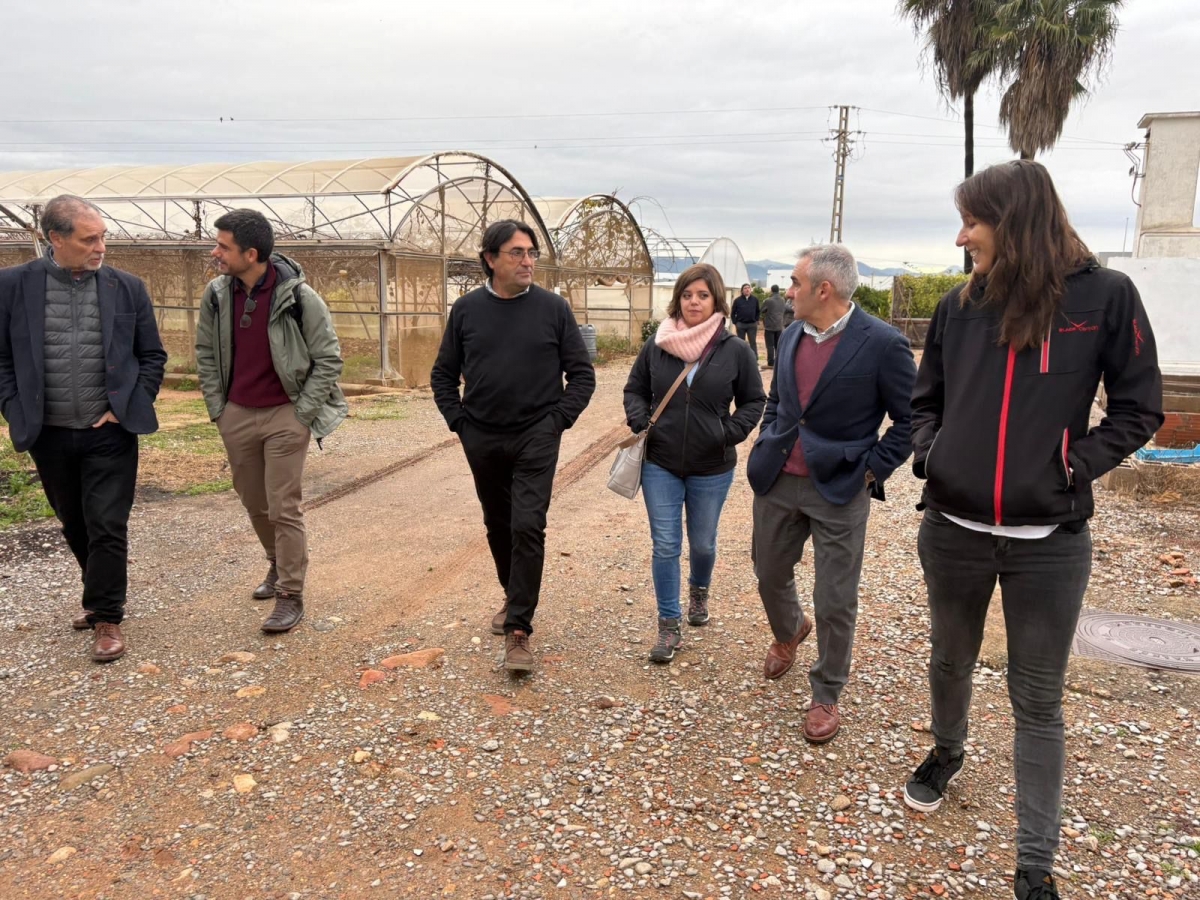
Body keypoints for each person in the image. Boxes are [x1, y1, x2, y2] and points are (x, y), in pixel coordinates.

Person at [904, 161, 1163, 900]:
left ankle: (1035, 864)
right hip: (951, 528)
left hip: (1048, 545)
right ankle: (946, 752)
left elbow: (1140, 408)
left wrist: (1074, 467)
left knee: (1037, 698)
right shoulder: (961, 306)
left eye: (973, 221)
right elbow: (928, 399)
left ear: (1013, 221)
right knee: (948, 661)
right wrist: (931, 451)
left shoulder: (1106, 297)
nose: (962, 237)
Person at [746, 244, 915, 742]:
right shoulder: (794, 332)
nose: (787, 291)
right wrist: (766, 440)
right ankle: (789, 630)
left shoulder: (884, 343)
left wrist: (871, 472)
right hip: (777, 480)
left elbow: (909, 421)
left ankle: (827, 691)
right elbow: (779, 400)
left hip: (841, 487)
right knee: (768, 572)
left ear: (824, 289)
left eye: (796, 283)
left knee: (835, 598)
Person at [0, 195, 166, 662]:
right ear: (55, 239)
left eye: (103, 237)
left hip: (109, 431)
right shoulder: (13, 286)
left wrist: (129, 405)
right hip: (48, 431)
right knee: (73, 519)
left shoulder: (126, 287)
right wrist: (13, 407)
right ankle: (99, 597)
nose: (100, 248)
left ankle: (106, 615)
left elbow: (152, 356)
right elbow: (2, 358)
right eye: (89, 239)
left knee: (107, 523)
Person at [431, 220, 595, 672]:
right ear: (490, 259)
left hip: (535, 435)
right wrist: (459, 422)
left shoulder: (553, 309)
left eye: (531, 253)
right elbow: (443, 374)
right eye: (517, 253)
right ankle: (513, 594)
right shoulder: (466, 310)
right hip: (481, 435)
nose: (527, 262)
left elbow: (582, 374)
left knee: (527, 524)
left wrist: (556, 422)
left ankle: (518, 628)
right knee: (498, 523)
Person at [195, 209, 348, 635]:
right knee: (253, 501)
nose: (215, 253)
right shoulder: (217, 295)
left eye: (223, 246)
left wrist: (302, 415)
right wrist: (219, 409)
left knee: (283, 506)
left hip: (286, 414)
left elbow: (329, 358)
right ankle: (277, 565)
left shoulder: (299, 296)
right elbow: (205, 353)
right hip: (237, 414)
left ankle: (290, 595)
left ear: (251, 252)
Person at [624, 264, 765, 663]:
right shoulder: (658, 344)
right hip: (661, 462)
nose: (694, 302)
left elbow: (755, 400)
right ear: (678, 299)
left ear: (716, 299)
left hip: (712, 466)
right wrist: (641, 421)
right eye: (688, 295)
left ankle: (699, 591)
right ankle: (669, 625)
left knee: (702, 542)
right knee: (666, 544)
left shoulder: (734, 349)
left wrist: (727, 433)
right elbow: (634, 389)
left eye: (702, 295)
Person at [731, 283, 760, 358]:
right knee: (741, 343)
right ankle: (741, 359)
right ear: (742, 290)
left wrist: (756, 320)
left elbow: (758, 311)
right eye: (745, 288)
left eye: (748, 288)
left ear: (750, 290)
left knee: (752, 342)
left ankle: (754, 359)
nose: (747, 289)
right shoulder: (737, 300)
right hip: (741, 324)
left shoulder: (755, 299)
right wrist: (735, 322)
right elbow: (733, 312)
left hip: (752, 325)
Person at [761, 285, 784, 369]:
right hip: (779, 325)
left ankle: (771, 363)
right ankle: (778, 362)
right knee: (778, 345)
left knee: (770, 345)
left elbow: (762, 310)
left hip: (770, 326)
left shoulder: (768, 300)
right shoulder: (782, 300)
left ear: (771, 290)